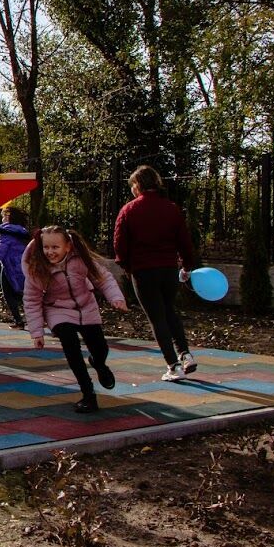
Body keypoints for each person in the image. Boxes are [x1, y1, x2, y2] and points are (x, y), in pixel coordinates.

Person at [22, 225, 129, 414]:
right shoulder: (37, 268)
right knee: (71, 347)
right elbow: (31, 301)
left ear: (68, 247)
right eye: (46, 247)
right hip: (58, 310)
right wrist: (37, 332)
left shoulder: (80, 261)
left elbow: (103, 278)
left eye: (55, 247)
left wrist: (116, 298)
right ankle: (88, 394)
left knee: (100, 348)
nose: (50, 252)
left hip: (86, 307)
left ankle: (100, 364)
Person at [114, 165, 200, 381]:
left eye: (133, 185)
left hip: (143, 270)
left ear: (138, 185)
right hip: (168, 268)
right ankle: (185, 353)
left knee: (156, 317)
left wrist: (126, 266)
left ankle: (172, 365)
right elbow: (184, 241)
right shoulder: (171, 209)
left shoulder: (129, 210)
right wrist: (186, 266)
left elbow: (120, 243)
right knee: (169, 310)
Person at [0, 205, 30, 328]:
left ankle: (19, 321)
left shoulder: (6, 232)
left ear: (10, 217)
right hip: (22, 266)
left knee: (9, 295)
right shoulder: (20, 231)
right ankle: (45, 321)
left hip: (10, 267)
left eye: (4, 215)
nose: (3, 217)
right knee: (27, 295)